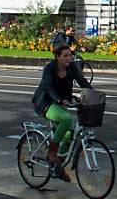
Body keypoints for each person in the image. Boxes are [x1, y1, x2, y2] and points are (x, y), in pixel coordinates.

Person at [31, 44, 91, 182]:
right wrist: (58, 99)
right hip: (46, 102)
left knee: (70, 134)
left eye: (70, 55)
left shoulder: (72, 67)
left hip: (61, 102)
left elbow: (82, 81)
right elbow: (47, 86)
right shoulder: (50, 68)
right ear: (57, 57)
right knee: (66, 118)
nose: (69, 58)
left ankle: (58, 166)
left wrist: (94, 94)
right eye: (65, 56)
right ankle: (52, 152)